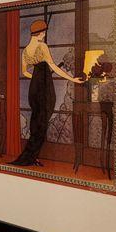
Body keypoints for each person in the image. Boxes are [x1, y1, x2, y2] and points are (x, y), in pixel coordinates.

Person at [9, 20, 83, 166]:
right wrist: (72, 78)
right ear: (40, 33)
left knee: (37, 121)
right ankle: (30, 156)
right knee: (42, 122)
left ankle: (32, 156)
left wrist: (36, 78)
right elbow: (53, 66)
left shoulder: (25, 51)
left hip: (34, 87)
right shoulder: (42, 46)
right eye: (44, 32)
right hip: (44, 87)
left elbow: (24, 72)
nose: (44, 35)